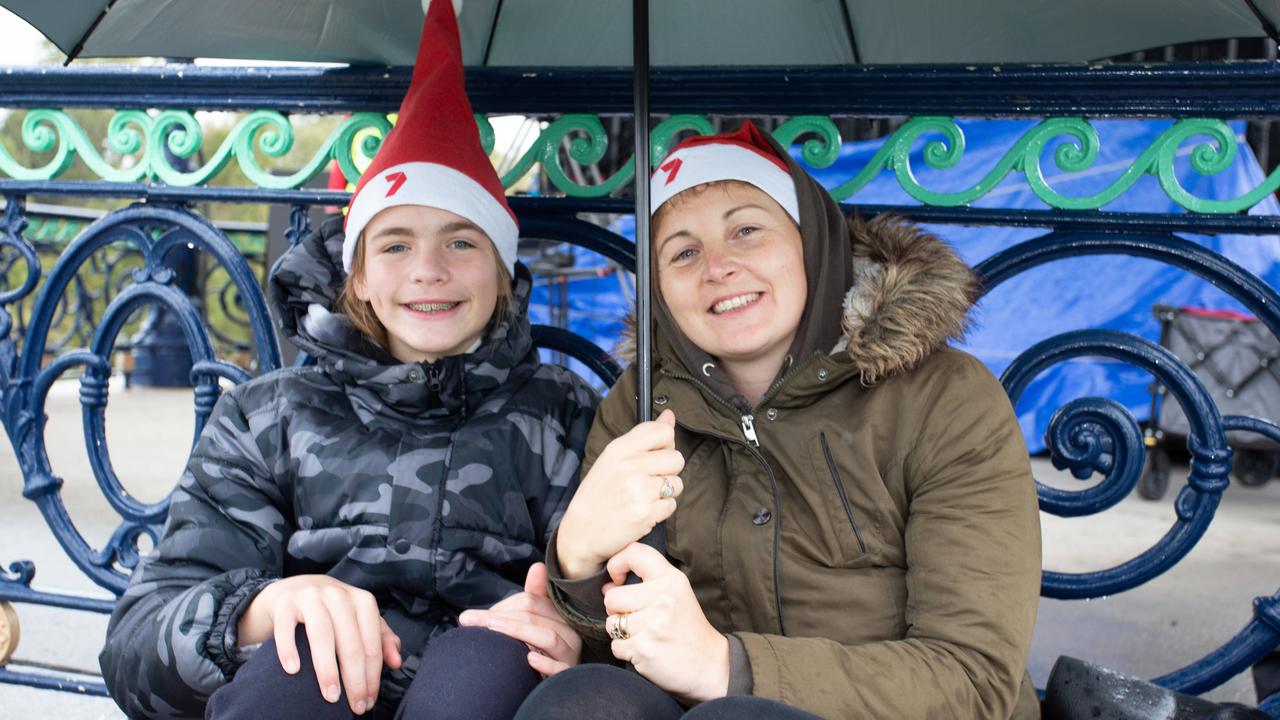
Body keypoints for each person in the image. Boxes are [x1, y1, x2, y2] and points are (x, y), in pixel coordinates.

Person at [98, 2, 596, 718]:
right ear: (356, 275)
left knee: (484, 669)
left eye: (462, 242)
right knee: (294, 673)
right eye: (394, 244)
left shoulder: (565, 414)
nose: (428, 269)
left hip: (482, 687)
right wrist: (259, 608)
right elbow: (134, 650)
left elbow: (624, 608)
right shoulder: (270, 417)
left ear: (502, 271)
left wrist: (572, 635)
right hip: (310, 687)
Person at [494, 122, 1043, 719]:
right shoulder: (640, 408)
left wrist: (729, 669)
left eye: (747, 231)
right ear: (660, 291)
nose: (717, 267)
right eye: (682, 252)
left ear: (812, 244)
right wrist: (578, 561)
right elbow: (624, 653)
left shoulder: (944, 400)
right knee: (580, 702)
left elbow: (975, 677)